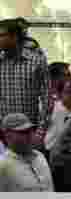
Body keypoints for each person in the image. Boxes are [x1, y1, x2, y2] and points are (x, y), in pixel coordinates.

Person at [0, 18, 51, 148]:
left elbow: (47, 99)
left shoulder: (36, 61)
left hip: (29, 134)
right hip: (3, 135)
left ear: (14, 37)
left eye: (1, 35)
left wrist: (40, 133)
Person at [0, 112, 53, 191]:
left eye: (31, 130)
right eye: (23, 132)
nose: (30, 135)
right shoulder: (3, 165)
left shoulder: (40, 156)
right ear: (8, 135)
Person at [44, 62, 71, 156]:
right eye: (67, 74)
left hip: (65, 150)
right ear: (55, 78)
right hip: (49, 149)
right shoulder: (45, 99)